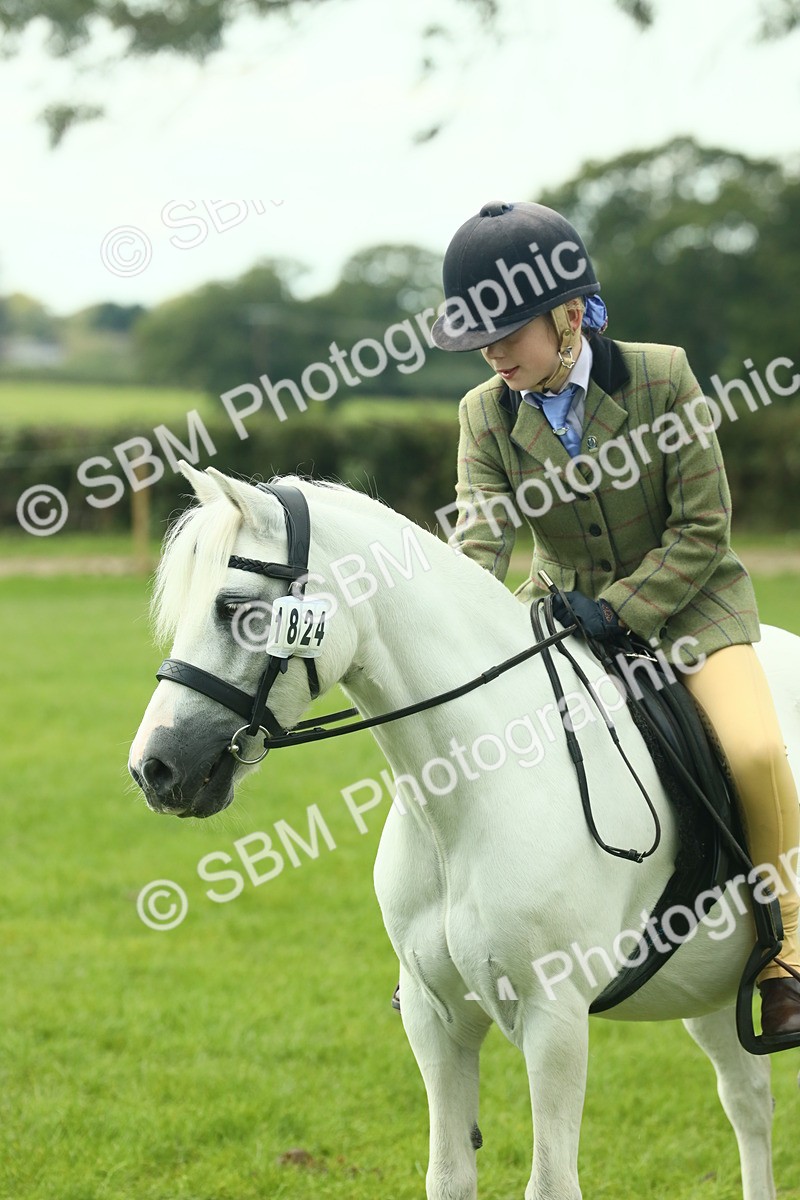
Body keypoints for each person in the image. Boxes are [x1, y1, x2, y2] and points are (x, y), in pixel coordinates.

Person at [420, 198, 800, 1037]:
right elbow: (482, 534)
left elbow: (703, 528)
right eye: (478, 339)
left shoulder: (664, 376)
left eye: (506, 332)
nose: (491, 353)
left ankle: (786, 946)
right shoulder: (484, 412)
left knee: (756, 747)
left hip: (692, 605)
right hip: (561, 616)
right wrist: (447, 614)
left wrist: (621, 611)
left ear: (566, 315)